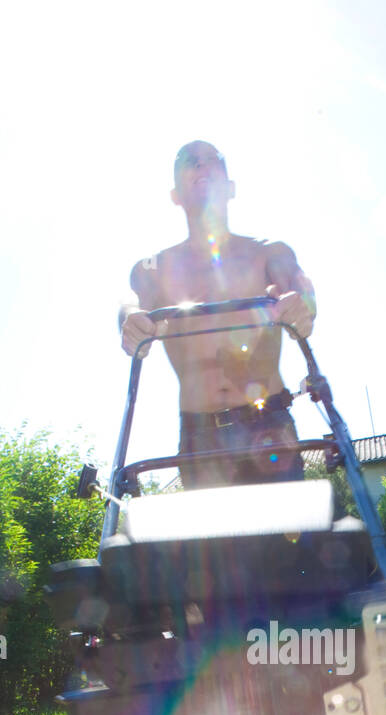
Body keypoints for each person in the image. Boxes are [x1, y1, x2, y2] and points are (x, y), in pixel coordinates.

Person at [119, 141, 316, 490]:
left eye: (213, 161)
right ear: (175, 194)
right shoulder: (155, 267)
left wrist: (302, 304)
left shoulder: (269, 252)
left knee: (287, 540)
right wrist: (130, 320)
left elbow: (302, 290)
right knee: (212, 543)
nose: (202, 166)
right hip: (200, 437)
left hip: (268, 425)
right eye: (190, 162)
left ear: (231, 187)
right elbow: (134, 302)